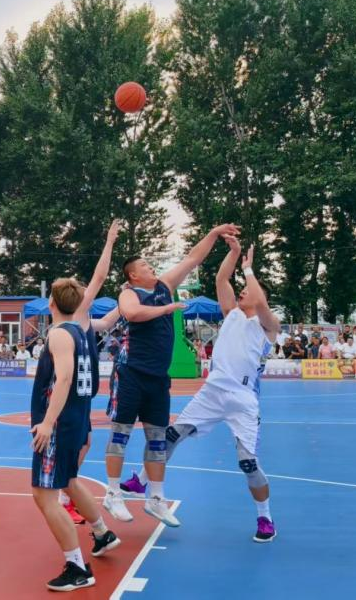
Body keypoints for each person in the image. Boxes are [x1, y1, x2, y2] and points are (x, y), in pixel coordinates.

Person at [130, 236, 282, 542]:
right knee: (171, 435)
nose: (242, 291)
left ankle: (265, 518)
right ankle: (143, 480)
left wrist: (249, 270)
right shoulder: (232, 314)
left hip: (242, 399)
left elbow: (261, 303)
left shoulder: (268, 326)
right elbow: (221, 279)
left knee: (248, 463)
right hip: (213, 391)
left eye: (248, 289)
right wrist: (235, 252)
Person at [106, 221, 239, 528]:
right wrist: (167, 309)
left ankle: (156, 498)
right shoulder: (129, 294)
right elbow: (133, 314)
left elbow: (193, 258)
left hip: (157, 378)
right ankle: (113, 493)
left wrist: (213, 233)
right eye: (144, 265)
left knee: (157, 439)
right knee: (121, 434)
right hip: (131, 374)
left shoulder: (164, 286)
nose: (150, 267)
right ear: (133, 275)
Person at [29, 274, 122, 592]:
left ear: (51, 304)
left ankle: (77, 567)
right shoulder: (82, 331)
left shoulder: (59, 334)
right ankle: (102, 533)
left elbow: (65, 378)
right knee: (69, 480)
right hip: (77, 418)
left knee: (43, 495)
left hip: (60, 423)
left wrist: (47, 422)